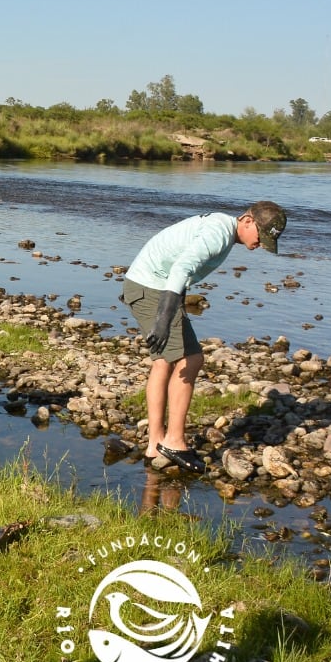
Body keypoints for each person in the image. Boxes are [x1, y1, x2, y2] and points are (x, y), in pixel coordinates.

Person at [121, 201, 287, 475]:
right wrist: (164, 320)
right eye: (261, 235)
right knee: (192, 358)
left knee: (164, 362)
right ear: (247, 220)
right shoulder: (218, 234)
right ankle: (173, 442)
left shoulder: (220, 228)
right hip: (152, 288)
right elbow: (180, 269)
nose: (261, 244)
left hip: (147, 284)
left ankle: (155, 444)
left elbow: (178, 263)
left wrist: (176, 308)